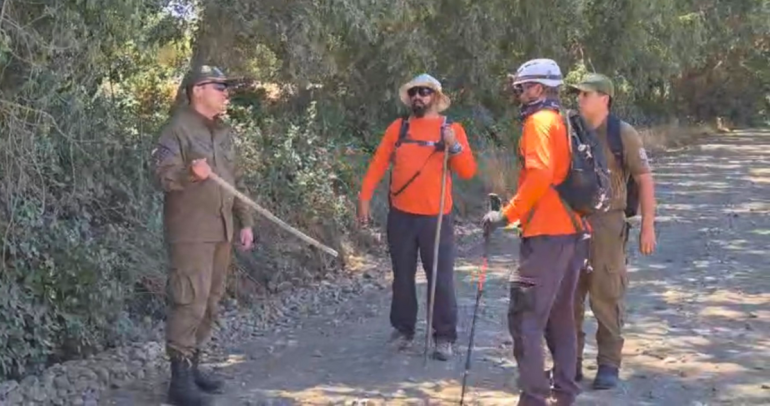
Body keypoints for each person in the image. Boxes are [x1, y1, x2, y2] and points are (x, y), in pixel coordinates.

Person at [482, 58, 589, 406]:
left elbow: (540, 174)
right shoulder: (562, 121)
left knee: (525, 316)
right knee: (560, 318)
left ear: (539, 88)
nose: (519, 94)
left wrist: (505, 215)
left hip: (545, 237)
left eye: (522, 88)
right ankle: (566, 393)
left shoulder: (539, 123)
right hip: (571, 234)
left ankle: (533, 398)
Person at [151, 65, 255, 406]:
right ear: (198, 89)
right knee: (189, 298)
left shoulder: (223, 132)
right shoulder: (175, 129)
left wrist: (246, 222)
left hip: (222, 228)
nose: (226, 93)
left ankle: (193, 366)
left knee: (210, 300)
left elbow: (235, 181)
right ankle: (179, 381)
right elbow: (162, 177)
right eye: (220, 87)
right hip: (191, 231)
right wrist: (191, 174)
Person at [357, 74, 477, 360]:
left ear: (435, 97)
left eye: (424, 92)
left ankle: (444, 337)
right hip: (400, 216)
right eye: (413, 93)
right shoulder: (398, 128)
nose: (417, 97)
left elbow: (468, 172)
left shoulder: (452, 129)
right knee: (402, 276)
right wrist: (363, 199)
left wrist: (454, 146)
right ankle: (403, 329)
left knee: (441, 279)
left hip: (436, 218)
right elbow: (377, 164)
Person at [568, 73, 657, 389]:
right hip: (571, 223)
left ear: (604, 98)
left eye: (586, 94)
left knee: (606, 292)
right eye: (578, 94)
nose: (579, 100)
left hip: (609, 222)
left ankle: (608, 365)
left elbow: (644, 178)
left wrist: (647, 225)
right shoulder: (570, 131)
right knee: (569, 295)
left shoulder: (623, 134)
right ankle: (569, 364)